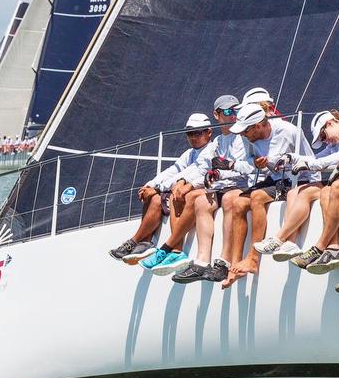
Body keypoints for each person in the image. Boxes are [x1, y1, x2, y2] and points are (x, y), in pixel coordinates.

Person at [224, 103, 318, 286]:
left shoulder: (290, 131)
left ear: (259, 125)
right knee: (237, 203)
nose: (243, 135)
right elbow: (249, 161)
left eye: (245, 131)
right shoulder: (249, 138)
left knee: (257, 197)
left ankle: (253, 259)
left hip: (296, 180)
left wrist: (311, 188)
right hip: (274, 180)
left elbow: (311, 160)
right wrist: (256, 163)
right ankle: (235, 263)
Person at [110, 113, 213, 265]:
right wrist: (150, 185)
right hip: (183, 189)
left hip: (198, 190)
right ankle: (145, 243)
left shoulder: (210, 150)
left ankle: (138, 242)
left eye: (197, 133)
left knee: (161, 197)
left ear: (209, 132)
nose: (192, 137)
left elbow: (190, 171)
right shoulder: (189, 153)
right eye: (189, 133)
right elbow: (174, 169)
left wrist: (158, 188)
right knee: (154, 198)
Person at [170, 95, 247, 284]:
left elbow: (245, 169)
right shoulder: (218, 142)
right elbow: (201, 167)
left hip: (240, 185)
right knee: (201, 201)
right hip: (220, 186)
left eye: (236, 111)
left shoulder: (244, 137)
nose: (233, 115)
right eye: (228, 111)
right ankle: (202, 261)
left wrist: (218, 176)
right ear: (217, 115)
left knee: (230, 199)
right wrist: (183, 181)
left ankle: (223, 262)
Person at [287, 110, 339, 274]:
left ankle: (319, 246)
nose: (325, 141)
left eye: (323, 136)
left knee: (334, 188)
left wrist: (311, 166)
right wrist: (291, 158)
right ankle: (333, 248)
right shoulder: (334, 143)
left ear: (330, 123)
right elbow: (316, 158)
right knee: (326, 192)